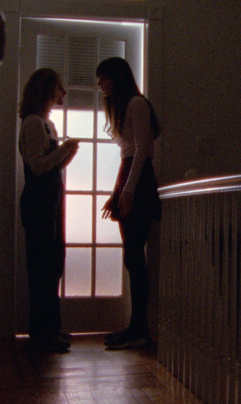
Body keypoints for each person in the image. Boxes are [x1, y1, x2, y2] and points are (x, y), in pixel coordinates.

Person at [97, 57, 162, 349]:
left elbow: (143, 151)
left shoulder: (136, 104)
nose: (100, 84)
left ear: (117, 77)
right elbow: (130, 155)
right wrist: (118, 192)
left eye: (103, 78)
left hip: (139, 183)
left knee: (134, 257)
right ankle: (137, 327)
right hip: (131, 180)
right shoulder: (126, 106)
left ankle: (139, 329)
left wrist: (128, 191)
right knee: (133, 257)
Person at [19, 68, 80, 352]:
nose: (63, 93)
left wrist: (68, 153)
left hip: (50, 202)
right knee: (42, 268)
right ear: (46, 90)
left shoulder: (47, 124)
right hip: (39, 204)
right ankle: (42, 335)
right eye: (59, 87)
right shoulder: (33, 123)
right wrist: (63, 149)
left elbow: (52, 165)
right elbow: (38, 166)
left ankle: (50, 329)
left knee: (53, 264)